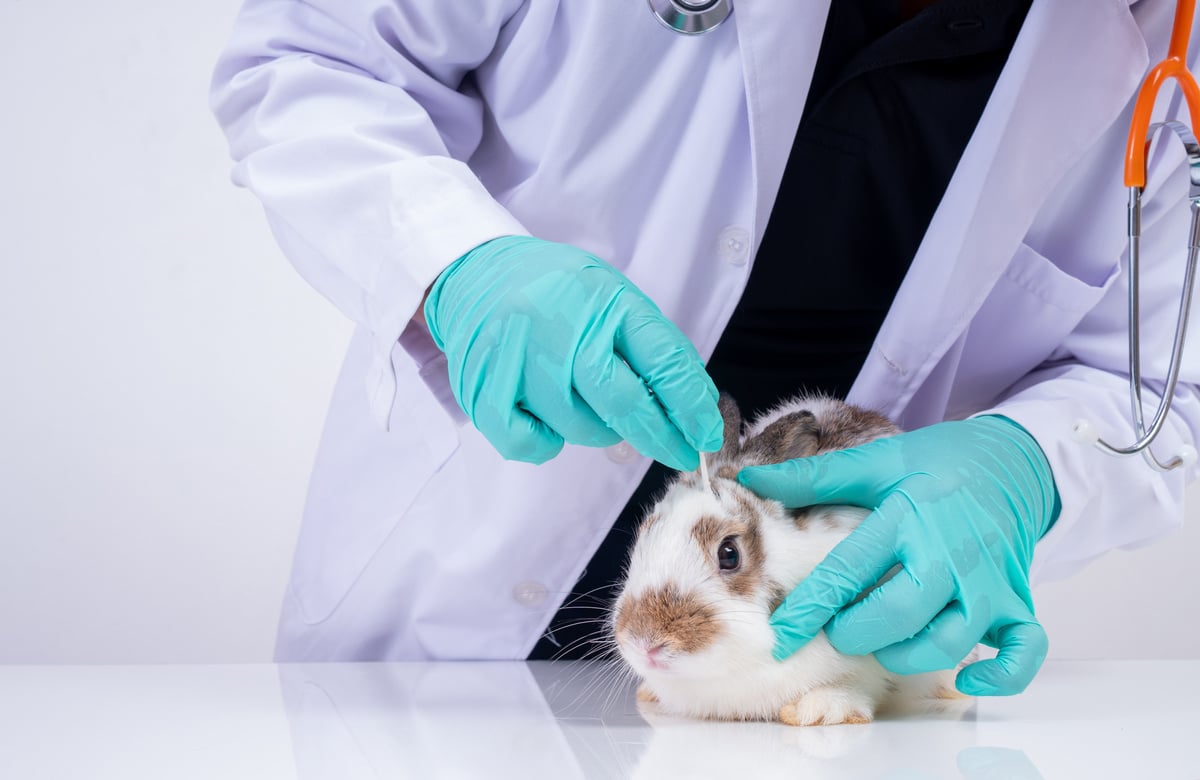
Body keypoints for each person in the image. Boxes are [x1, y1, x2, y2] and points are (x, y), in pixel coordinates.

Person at [211, 0, 1200, 694]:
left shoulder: (1170, 41)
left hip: (829, 683)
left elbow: (1160, 386)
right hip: (447, 634)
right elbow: (311, 62)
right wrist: (461, 265)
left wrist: (1026, 468)